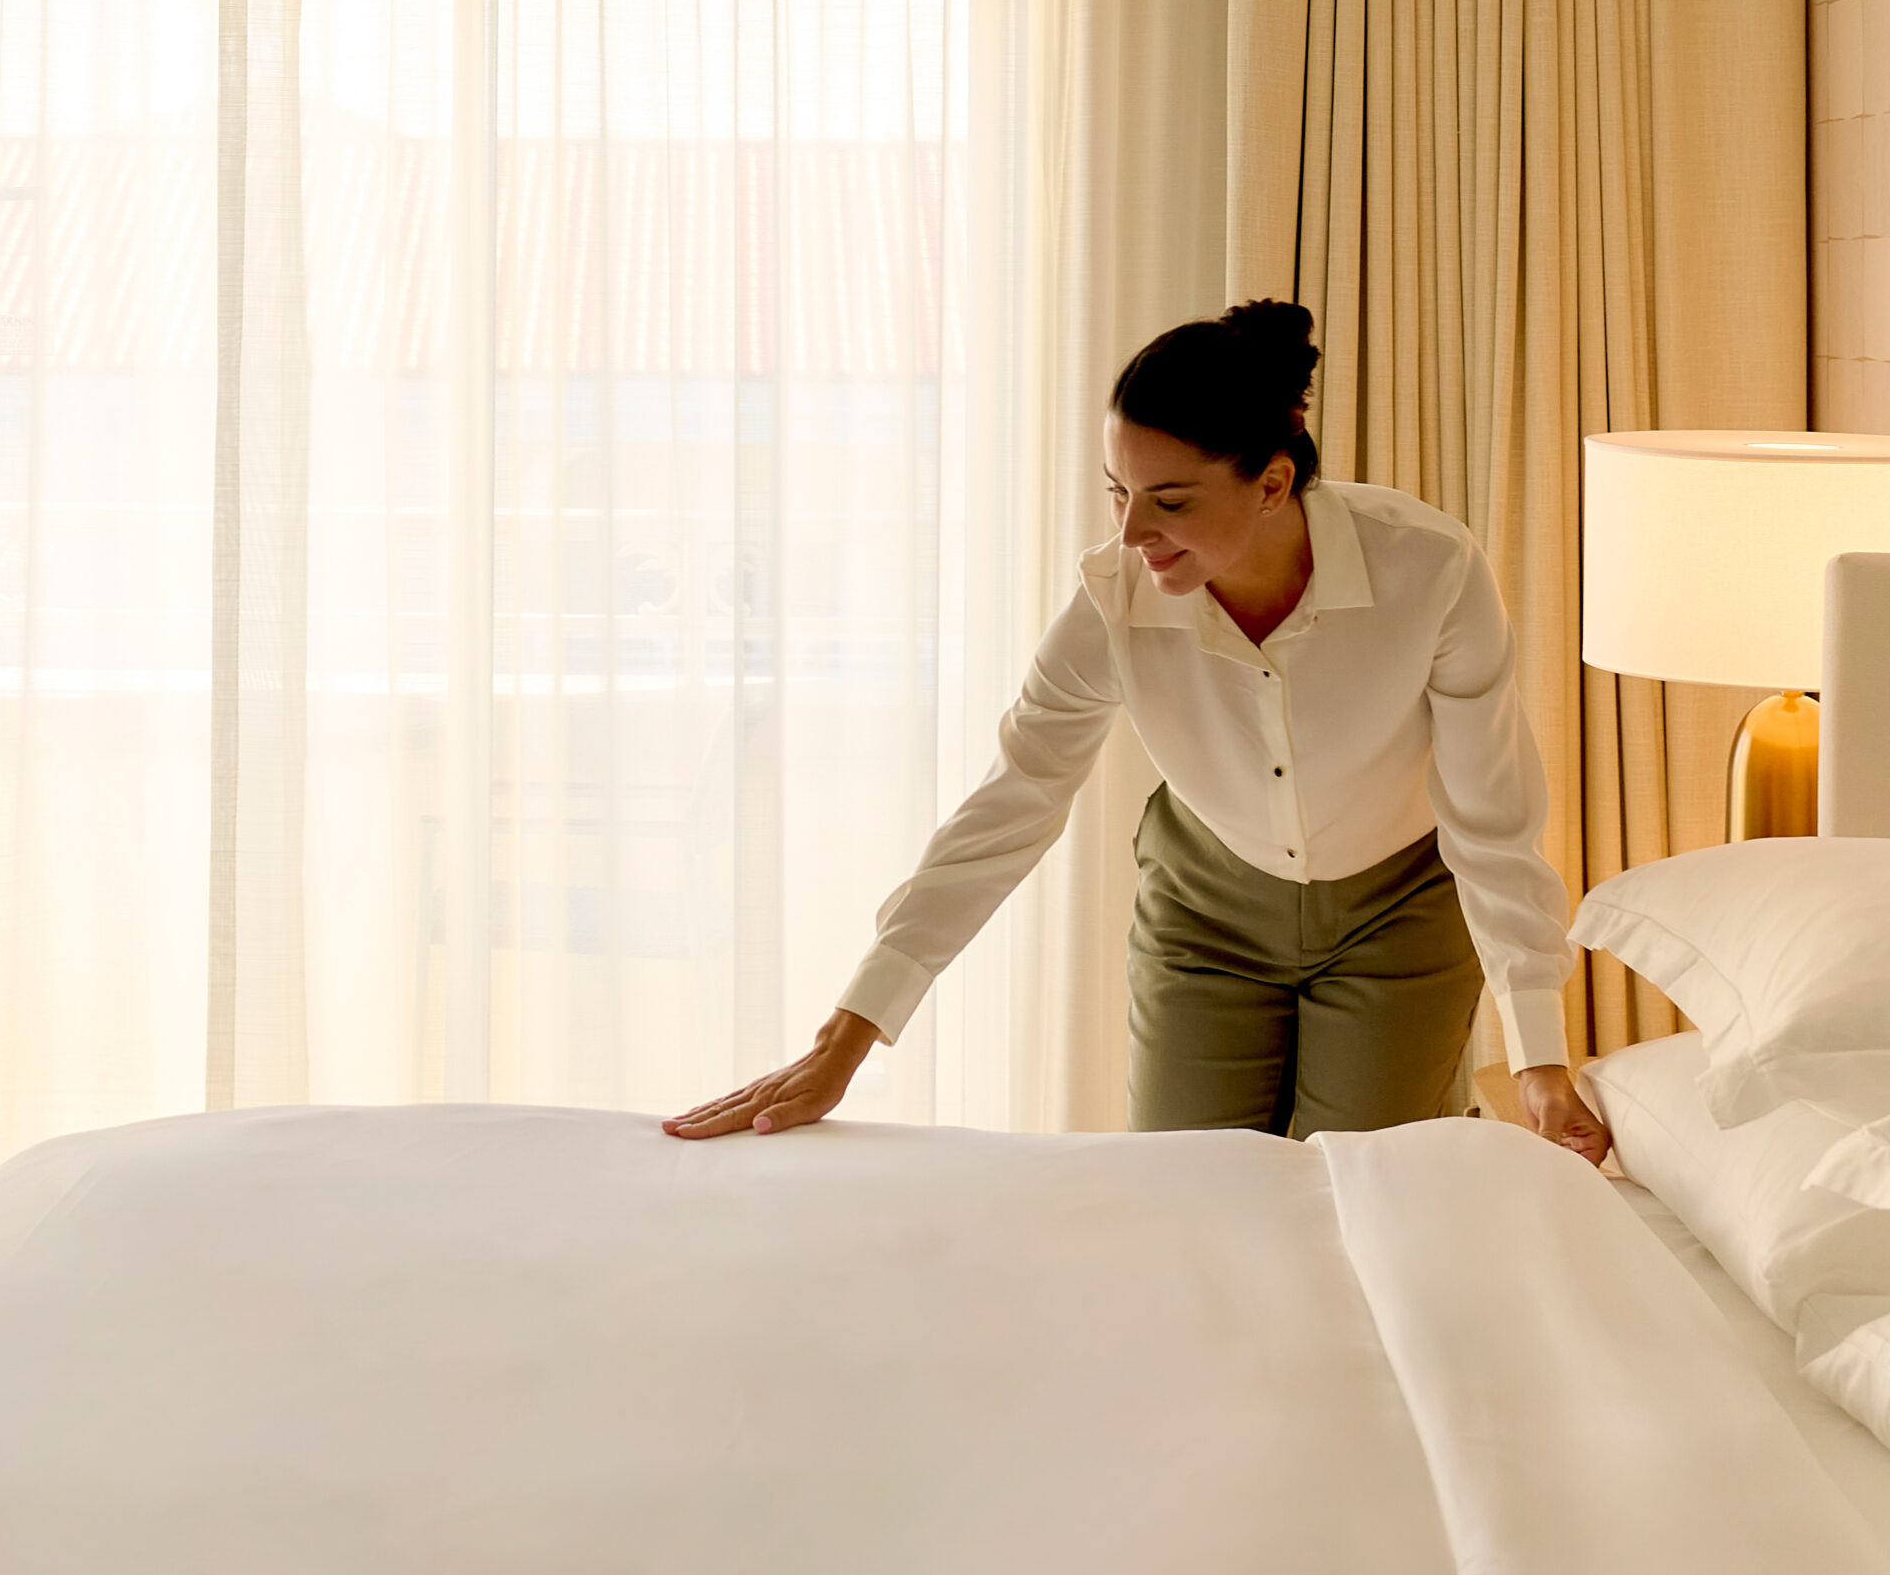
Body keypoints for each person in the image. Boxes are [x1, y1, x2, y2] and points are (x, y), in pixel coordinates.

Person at [663, 300, 1610, 1163]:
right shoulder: (1113, 600)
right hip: (1208, 912)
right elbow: (1012, 800)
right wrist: (847, 1037)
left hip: (1399, 910)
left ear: (1274, 484)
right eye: (1119, 492)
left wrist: (1537, 1056)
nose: (1131, 535)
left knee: (1358, 1186)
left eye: (1170, 501)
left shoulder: (1430, 571)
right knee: (1184, 1189)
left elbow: (1491, 820)